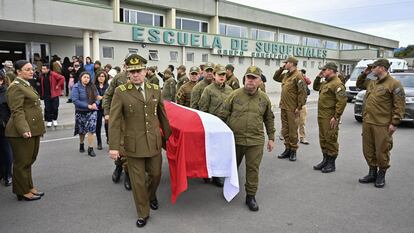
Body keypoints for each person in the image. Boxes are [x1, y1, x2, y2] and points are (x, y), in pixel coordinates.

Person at [108, 53, 171, 228]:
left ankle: (151, 195)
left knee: (156, 174)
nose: (136, 74)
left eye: (139, 71)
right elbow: (115, 121)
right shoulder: (121, 93)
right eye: (132, 71)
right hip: (133, 145)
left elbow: (162, 115)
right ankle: (143, 212)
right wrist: (114, 147)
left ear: (145, 71)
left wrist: (169, 138)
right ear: (128, 73)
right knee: (137, 182)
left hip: (154, 142)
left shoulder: (155, 89)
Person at [219, 65, 275, 211]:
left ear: (260, 81)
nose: (250, 80)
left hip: (255, 140)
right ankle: (229, 188)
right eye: (248, 77)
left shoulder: (264, 98)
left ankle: (250, 196)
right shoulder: (235, 94)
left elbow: (269, 118)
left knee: (252, 169)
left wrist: (271, 137)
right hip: (235, 139)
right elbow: (222, 114)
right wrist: (219, 136)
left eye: (253, 78)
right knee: (231, 166)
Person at [356, 59, 405, 188]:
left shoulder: (394, 84)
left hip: (382, 124)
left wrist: (394, 123)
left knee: (381, 151)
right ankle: (372, 172)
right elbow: (359, 84)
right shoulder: (372, 82)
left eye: (374, 67)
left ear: (382, 68)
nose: (372, 69)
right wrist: (364, 73)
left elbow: (399, 105)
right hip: (368, 121)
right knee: (368, 150)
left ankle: (381, 174)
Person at [5, 60, 46, 201]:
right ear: (18, 71)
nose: (31, 71)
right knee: (22, 162)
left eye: (31, 69)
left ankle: (28, 186)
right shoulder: (15, 87)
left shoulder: (25, 84)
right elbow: (17, 110)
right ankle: (21, 191)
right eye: (27, 69)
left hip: (33, 129)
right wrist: (23, 129)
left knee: (29, 160)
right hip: (21, 131)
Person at [199, 64, 233, 187]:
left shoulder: (230, 90)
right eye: (219, 74)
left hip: (226, 125)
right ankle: (209, 173)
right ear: (214, 75)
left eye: (224, 74)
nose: (222, 77)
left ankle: (218, 175)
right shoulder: (208, 90)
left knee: (222, 151)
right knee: (211, 151)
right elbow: (203, 109)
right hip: (212, 126)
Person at [312, 62, 347, 173]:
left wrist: (336, 117)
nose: (323, 72)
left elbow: (342, 101)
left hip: (330, 117)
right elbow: (315, 87)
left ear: (331, 70)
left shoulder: (337, 84)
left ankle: (331, 163)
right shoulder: (326, 83)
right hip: (322, 116)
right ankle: (325, 160)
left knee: (331, 138)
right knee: (323, 139)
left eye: (324, 70)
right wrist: (318, 77)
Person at [102, 57, 130, 189]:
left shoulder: (142, 79)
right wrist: (107, 112)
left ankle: (128, 173)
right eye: (128, 65)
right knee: (121, 145)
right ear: (124, 66)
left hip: (134, 118)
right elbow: (108, 95)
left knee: (132, 146)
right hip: (120, 116)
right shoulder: (118, 78)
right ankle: (119, 167)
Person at [273, 56, 307, 161]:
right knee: (285, 129)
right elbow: (275, 77)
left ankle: (293, 150)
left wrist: (299, 106)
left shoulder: (298, 76)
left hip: (293, 108)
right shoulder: (286, 75)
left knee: (292, 130)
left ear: (291, 63)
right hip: (284, 106)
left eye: (286, 63)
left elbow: (303, 92)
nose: (285, 64)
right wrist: (281, 69)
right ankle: (287, 149)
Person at [71, 72, 98, 157]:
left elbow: (97, 97)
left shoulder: (92, 86)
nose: (86, 79)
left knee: (91, 129)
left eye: (88, 77)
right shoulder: (76, 87)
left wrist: (95, 104)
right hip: (81, 112)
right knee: (81, 131)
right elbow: (75, 100)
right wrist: (87, 105)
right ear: (81, 78)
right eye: (84, 77)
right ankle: (81, 144)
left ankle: (90, 148)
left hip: (92, 112)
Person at [0, 72, 13, 187]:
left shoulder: (7, 93)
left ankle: (8, 175)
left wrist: (6, 121)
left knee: (6, 151)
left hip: (3, 127)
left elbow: (13, 111)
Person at [95, 70, 109, 150]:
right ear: (97, 77)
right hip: (97, 108)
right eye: (99, 76)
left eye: (103, 76)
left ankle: (108, 138)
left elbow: (110, 96)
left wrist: (102, 97)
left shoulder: (108, 86)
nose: (101, 78)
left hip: (106, 108)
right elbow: (91, 95)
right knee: (98, 125)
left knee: (108, 124)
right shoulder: (94, 86)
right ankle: (99, 142)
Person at [298, 69, 312, 145]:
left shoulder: (303, 82)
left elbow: (309, 85)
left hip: (303, 105)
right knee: (293, 123)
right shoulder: (293, 82)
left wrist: (304, 77)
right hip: (294, 105)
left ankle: (302, 137)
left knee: (302, 122)